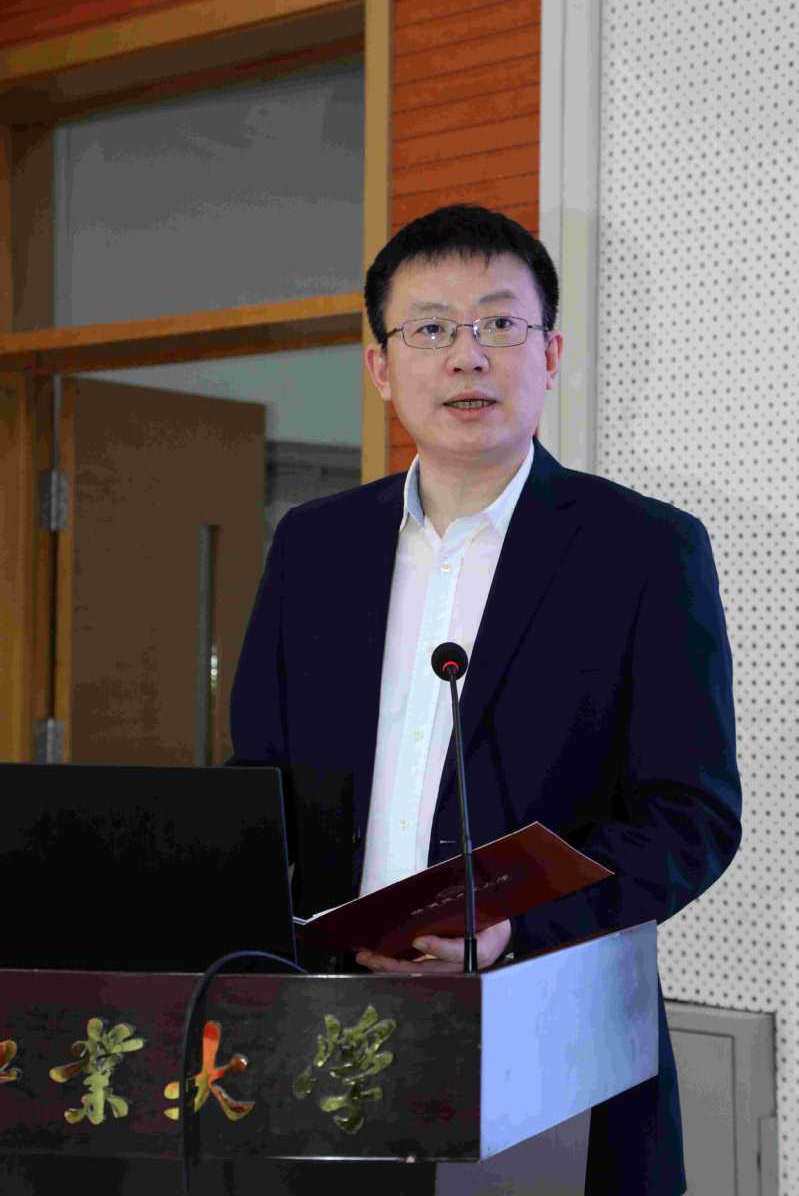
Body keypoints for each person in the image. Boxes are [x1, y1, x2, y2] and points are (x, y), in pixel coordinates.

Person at [229, 203, 742, 1196]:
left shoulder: (642, 549)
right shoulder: (312, 547)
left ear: (549, 354)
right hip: (331, 1034)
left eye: (499, 323)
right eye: (429, 328)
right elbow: (259, 782)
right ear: (381, 367)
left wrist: (516, 928)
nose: (467, 356)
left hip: (552, 1038)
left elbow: (691, 816)